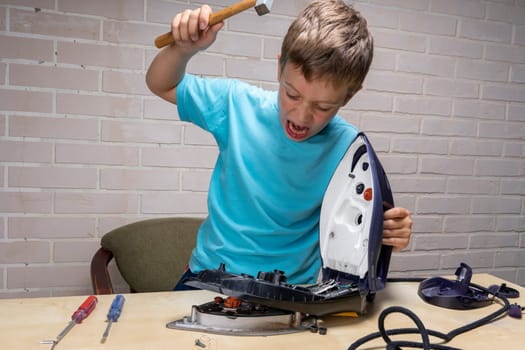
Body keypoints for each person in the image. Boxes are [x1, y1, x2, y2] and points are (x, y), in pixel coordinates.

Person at [146, 0, 412, 288]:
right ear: (279, 67)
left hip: (291, 293)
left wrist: (389, 231)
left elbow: (363, 229)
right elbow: (162, 84)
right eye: (292, 94)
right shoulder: (236, 105)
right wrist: (183, 49)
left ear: (348, 96)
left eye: (322, 106)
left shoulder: (349, 148)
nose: (301, 116)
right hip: (208, 279)